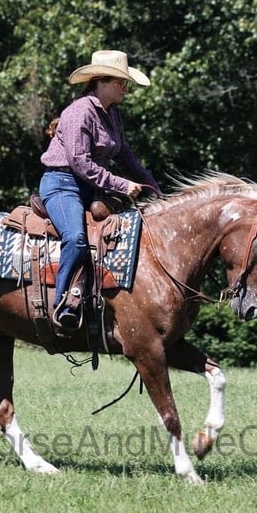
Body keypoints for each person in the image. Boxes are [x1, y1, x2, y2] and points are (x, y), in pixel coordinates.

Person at [39, 50, 161, 331]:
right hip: (62, 185)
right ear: (101, 81)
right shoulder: (79, 111)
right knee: (76, 238)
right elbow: (80, 162)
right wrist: (121, 184)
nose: (126, 89)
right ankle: (61, 306)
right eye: (121, 82)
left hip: (91, 188)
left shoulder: (112, 114)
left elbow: (126, 156)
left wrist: (153, 187)